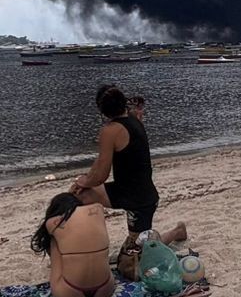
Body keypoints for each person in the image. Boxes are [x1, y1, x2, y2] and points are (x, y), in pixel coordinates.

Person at [72, 85, 186, 257]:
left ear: (102, 111)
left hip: (140, 198)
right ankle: (79, 248)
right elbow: (100, 162)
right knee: (77, 195)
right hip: (122, 189)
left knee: (139, 253)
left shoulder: (110, 131)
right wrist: (85, 180)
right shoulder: (133, 119)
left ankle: (177, 232)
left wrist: (85, 181)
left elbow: (101, 176)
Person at [32, 193, 116, 297]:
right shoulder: (98, 210)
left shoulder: (52, 223)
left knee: (55, 240)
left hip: (69, 293)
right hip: (105, 290)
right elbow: (93, 197)